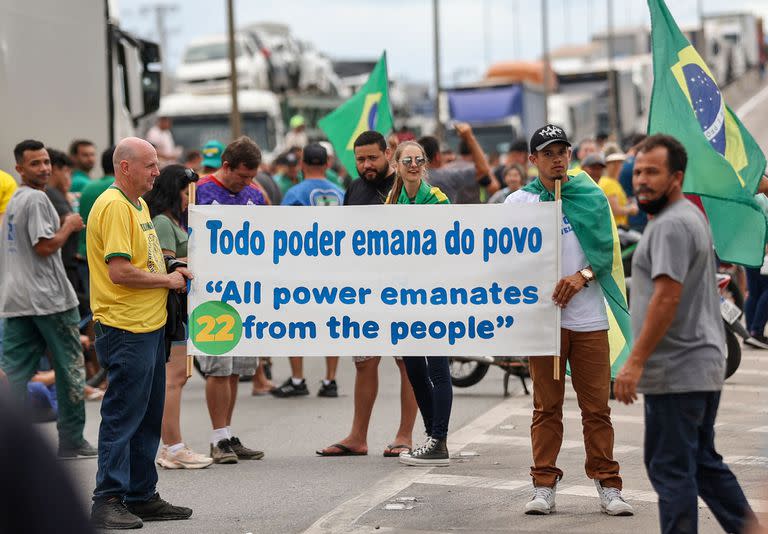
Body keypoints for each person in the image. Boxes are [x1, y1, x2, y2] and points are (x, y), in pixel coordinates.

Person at [614, 134, 756, 534]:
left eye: (652, 172)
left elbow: (666, 297)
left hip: (677, 371)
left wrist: (635, 361)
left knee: (671, 470)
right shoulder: (683, 218)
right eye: (638, 171)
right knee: (702, 465)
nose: (641, 180)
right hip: (697, 367)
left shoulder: (673, 225)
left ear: (676, 177)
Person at [506, 125, 633, 516]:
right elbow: (502, 262)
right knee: (546, 408)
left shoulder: (590, 194)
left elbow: (607, 253)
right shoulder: (517, 204)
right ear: (533, 160)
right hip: (544, 323)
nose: (557, 158)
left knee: (597, 409)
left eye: (562, 151)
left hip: (588, 320)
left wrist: (583, 277)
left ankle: (608, 485)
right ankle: (543, 485)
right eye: (548, 153)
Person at [87, 137, 193, 529]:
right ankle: (108, 499)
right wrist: (167, 280)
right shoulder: (115, 206)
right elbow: (120, 271)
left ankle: (141, 494)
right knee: (122, 416)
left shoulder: (139, 205)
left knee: (148, 415)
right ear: (124, 167)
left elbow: (142, 258)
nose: (156, 171)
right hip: (125, 326)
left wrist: (170, 262)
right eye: (149, 165)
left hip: (148, 325)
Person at [315, 131, 418, 458]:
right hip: (363, 292)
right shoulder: (355, 188)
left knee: (408, 364)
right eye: (360, 159)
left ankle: (405, 435)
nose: (366, 164)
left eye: (372, 157)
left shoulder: (406, 187)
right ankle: (358, 437)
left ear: (388, 153)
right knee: (364, 363)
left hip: (404, 291)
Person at [0, 139, 95, 459]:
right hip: (49, 299)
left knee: (13, 372)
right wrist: (69, 225)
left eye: (45, 162)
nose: (43, 168)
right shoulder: (38, 201)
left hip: (17, 298)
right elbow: (44, 246)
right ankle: (71, 440)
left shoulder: (14, 199)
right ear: (20, 168)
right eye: (35, 163)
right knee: (70, 367)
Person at [377, 140, 453, 466]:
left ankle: (440, 438)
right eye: (407, 159)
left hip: (434, 295)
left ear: (425, 165)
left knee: (437, 368)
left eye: (418, 160)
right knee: (414, 369)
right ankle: (431, 435)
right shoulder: (389, 204)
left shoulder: (437, 200)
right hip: (403, 297)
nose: (412, 164)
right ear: (395, 164)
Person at [195, 136, 266, 464]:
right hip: (210, 296)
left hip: (245, 294)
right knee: (218, 367)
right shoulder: (199, 191)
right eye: (242, 176)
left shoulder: (254, 195)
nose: (248, 183)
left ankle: (227, 432)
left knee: (236, 368)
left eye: (252, 176)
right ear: (226, 166)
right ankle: (216, 436)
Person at [143, 164, 213, 470]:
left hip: (181, 308)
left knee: (178, 378)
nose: (190, 197)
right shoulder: (162, 222)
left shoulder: (173, 221)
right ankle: (172, 446)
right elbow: (165, 263)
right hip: (171, 308)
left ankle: (173, 444)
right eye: (186, 191)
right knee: (174, 379)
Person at [271, 144, 342, 398]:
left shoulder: (294, 193)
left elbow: (282, 231)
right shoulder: (341, 193)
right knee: (332, 324)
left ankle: (298, 378)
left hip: (301, 269)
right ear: (327, 164)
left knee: (296, 322)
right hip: (335, 268)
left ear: (302, 165)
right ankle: (329, 380)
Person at [45, 149, 85, 309]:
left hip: (65, 263)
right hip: (63, 265)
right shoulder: (52, 194)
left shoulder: (56, 194)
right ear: (56, 169)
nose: (69, 177)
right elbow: (74, 222)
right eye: (67, 172)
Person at [418, 123, 496, 205]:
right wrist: (469, 137)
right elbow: (484, 170)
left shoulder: (410, 180)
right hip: (452, 216)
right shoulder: (447, 176)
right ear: (438, 156)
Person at [77, 146, 116, 298]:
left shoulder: (88, 187)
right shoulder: (122, 189)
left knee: (94, 304)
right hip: (109, 257)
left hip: (84, 253)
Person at [599, 145, 638, 227]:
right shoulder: (609, 183)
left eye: (620, 163)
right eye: (618, 163)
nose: (620, 166)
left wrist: (627, 203)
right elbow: (615, 210)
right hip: (617, 228)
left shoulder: (608, 181)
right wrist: (631, 209)